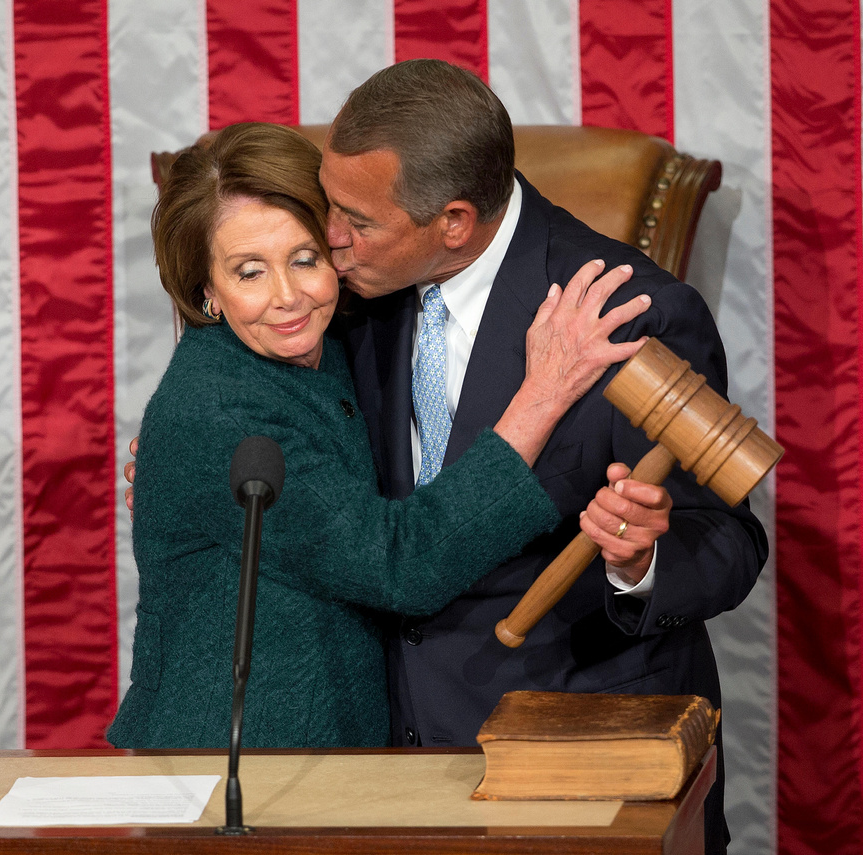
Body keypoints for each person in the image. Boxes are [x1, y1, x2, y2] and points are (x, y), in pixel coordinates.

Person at [317, 60, 767, 854]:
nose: (329, 238)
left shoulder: (632, 313)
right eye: (329, 203)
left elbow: (729, 541)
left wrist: (645, 554)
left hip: (572, 760)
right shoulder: (345, 298)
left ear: (454, 220)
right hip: (381, 759)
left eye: (356, 218)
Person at [107, 121, 651, 749]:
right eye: (249, 272)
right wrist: (544, 393)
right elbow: (401, 564)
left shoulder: (338, 339)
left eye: (305, 259)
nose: (288, 297)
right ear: (208, 290)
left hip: (348, 752)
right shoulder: (218, 410)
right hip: (235, 762)